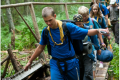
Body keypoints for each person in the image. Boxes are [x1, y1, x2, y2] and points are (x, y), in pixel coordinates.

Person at [24, 7, 109, 80]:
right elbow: (40, 47)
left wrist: (98, 30)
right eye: (46, 21)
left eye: (50, 20)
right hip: (55, 63)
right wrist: (30, 61)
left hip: (71, 62)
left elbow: (87, 32)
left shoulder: (67, 27)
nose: (48, 23)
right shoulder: (46, 31)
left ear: (55, 16)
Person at [73, 14, 101, 80]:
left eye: (80, 24)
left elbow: (95, 40)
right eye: (76, 24)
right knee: (80, 72)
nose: (78, 26)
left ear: (83, 22)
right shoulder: (72, 30)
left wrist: (98, 48)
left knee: (88, 72)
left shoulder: (88, 29)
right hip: (77, 55)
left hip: (88, 54)